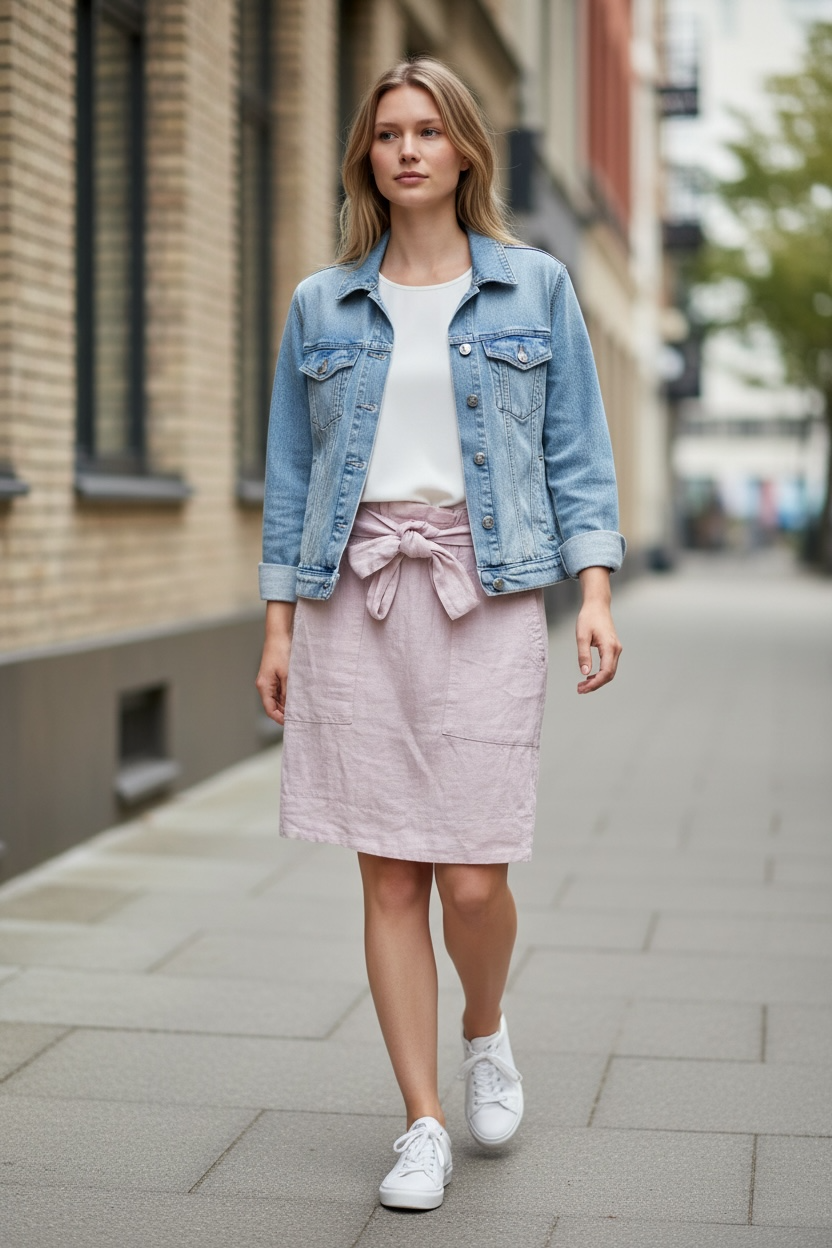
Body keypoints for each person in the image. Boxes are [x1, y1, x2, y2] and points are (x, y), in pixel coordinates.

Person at [256, 56, 624, 1213]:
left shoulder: (537, 288)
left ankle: (485, 1026)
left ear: (466, 148)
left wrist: (597, 590)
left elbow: (576, 451)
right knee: (388, 875)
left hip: (487, 585)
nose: (407, 149)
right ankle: (420, 1120)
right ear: (366, 155)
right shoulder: (323, 303)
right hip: (350, 593)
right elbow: (291, 473)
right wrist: (276, 624)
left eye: (428, 131)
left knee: (471, 880)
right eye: (387, 134)